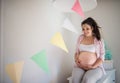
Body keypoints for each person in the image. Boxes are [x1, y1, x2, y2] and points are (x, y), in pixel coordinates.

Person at [72, 17, 106, 83]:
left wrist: (93, 66)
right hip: (80, 67)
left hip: (95, 67)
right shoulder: (80, 38)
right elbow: (76, 52)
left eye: (87, 29)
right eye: (83, 29)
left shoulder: (99, 40)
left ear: (92, 28)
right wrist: (76, 60)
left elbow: (102, 57)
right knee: (74, 80)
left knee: (87, 80)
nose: (85, 31)